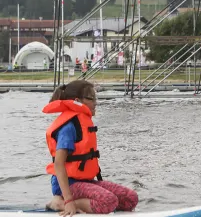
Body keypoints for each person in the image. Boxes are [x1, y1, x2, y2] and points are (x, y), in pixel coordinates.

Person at [43, 80, 138, 216]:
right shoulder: (68, 127)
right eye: (91, 98)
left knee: (130, 198)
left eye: (96, 98)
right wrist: (69, 201)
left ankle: (83, 202)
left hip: (85, 181)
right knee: (108, 201)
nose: (96, 102)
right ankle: (59, 202)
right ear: (77, 101)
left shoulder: (84, 122)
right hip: (67, 184)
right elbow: (58, 164)